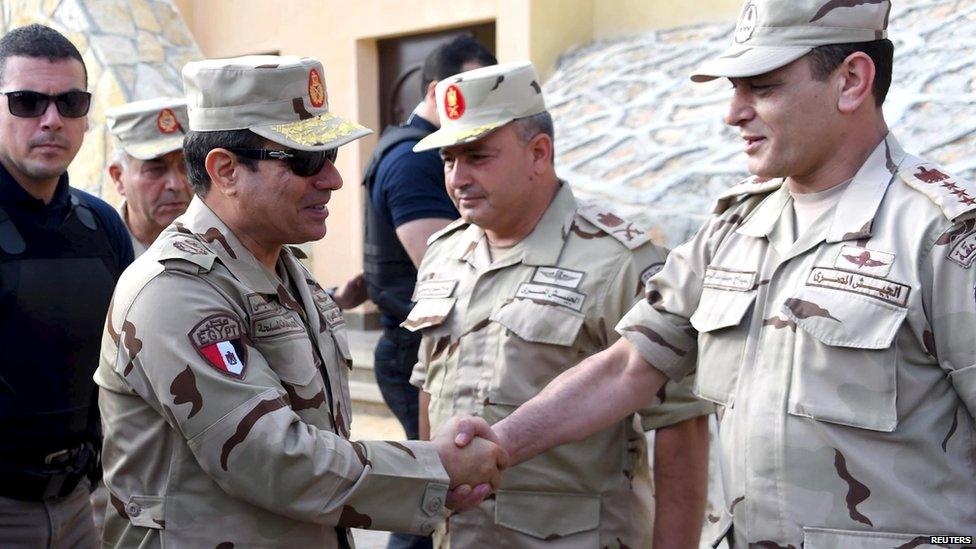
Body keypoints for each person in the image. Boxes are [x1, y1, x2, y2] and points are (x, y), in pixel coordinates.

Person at [449, 0, 976, 546]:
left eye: (762, 87)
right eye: (733, 88)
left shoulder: (942, 238)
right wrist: (500, 442)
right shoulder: (732, 231)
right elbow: (630, 365)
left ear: (851, 81)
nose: (733, 113)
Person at [93, 55, 508, 548]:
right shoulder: (173, 290)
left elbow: (324, 442)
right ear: (225, 170)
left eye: (329, 156)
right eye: (305, 160)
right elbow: (269, 456)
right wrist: (435, 469)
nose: (332, 179)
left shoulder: (287, 270)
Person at [408, 61, 711, 548]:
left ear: (538, 153)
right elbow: (429, 389)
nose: (457, 177)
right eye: (448, 160)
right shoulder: (445, 253)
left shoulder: (619, 260)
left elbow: (681, 425)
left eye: (478, 157)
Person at [0, 24, 134, 548]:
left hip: (82, 503)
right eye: (27, 101)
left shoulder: (101, 226)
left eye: (70, 102)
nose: (51, 120)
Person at [106, 97, 192, 257]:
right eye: (155, 170)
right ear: (118, 177)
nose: (176, 184)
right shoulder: (99, 249)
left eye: (186, 167)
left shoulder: (225, 246)